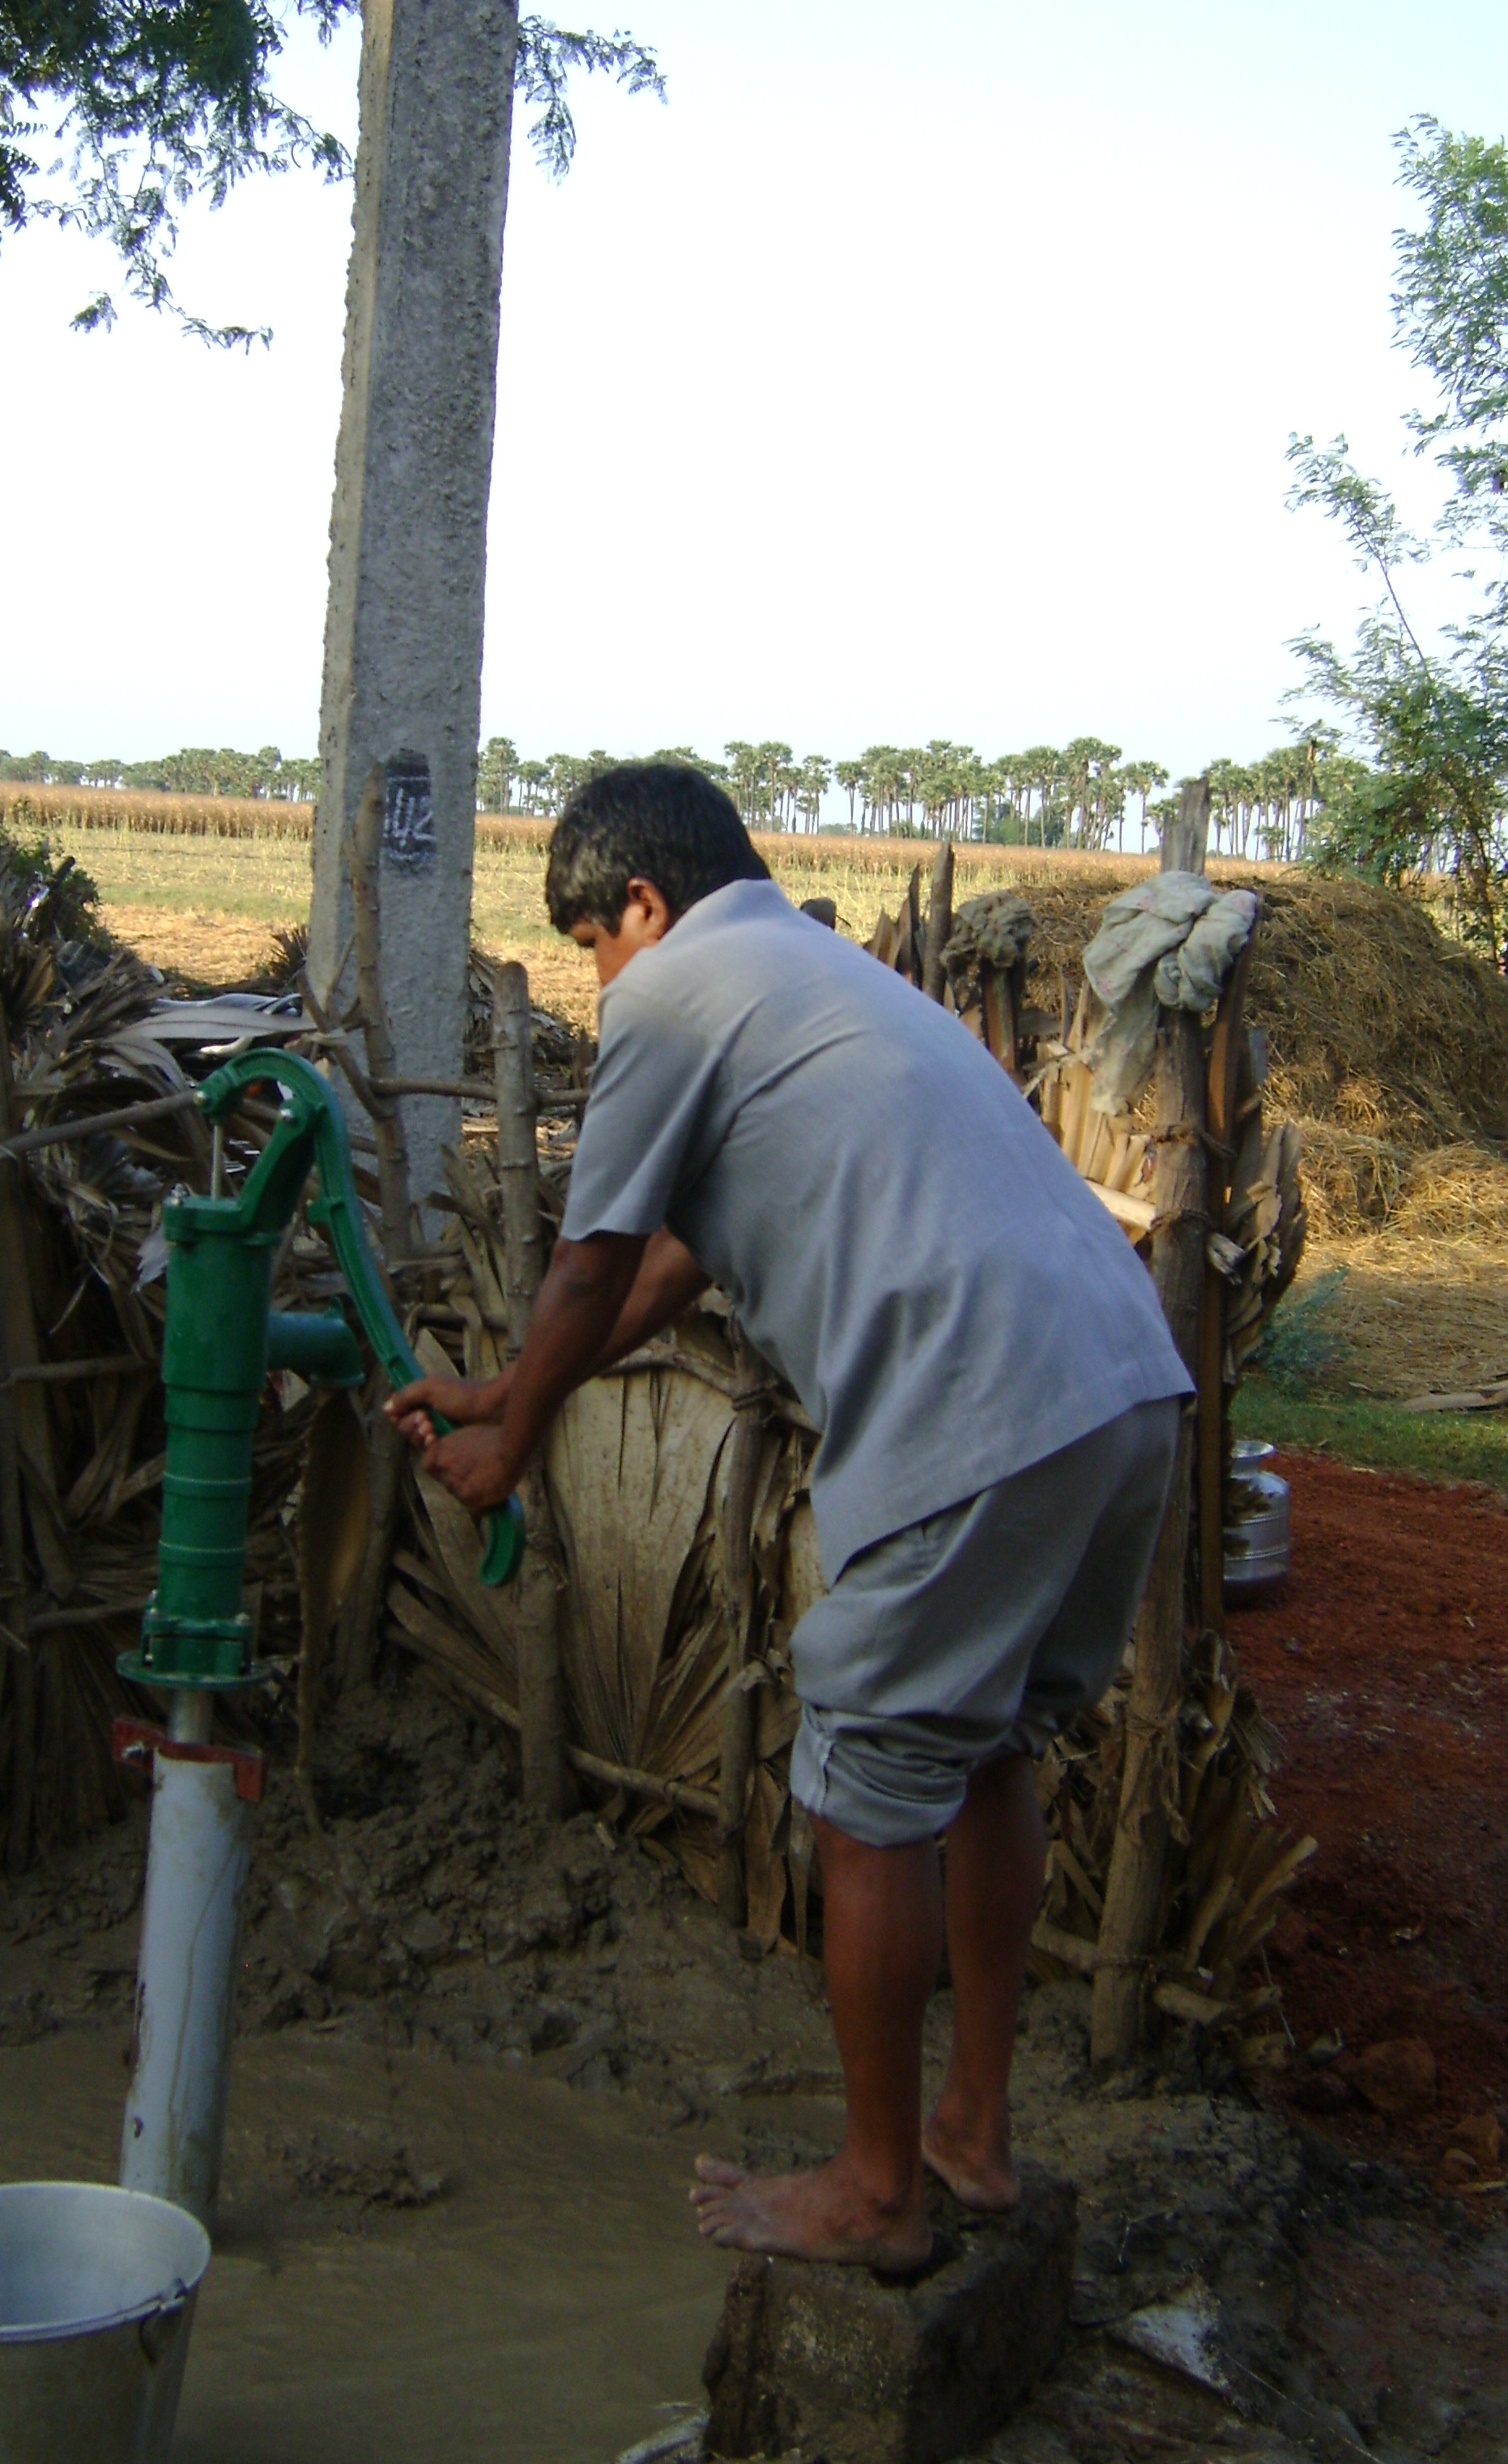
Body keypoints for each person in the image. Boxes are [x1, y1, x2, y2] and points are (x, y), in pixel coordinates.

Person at [386, 763, 1190, 2271]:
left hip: (981, 1408)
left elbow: (586, 1257)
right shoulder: (813, 975)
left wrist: (515, 1450)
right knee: (991, 1740)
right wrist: (508, 1390)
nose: (595, 978)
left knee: (866, 1774)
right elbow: (678, 1259)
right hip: (1123, 1381)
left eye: (590, 942)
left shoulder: (673, 991)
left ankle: (879, 2195)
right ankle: (970, 2134)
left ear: (641, 902)